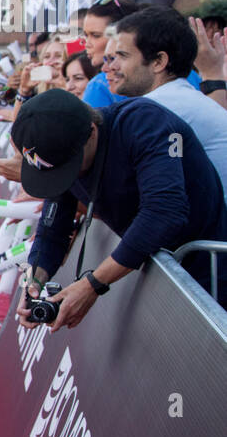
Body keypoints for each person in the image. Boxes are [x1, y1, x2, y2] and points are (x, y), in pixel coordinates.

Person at [14, 89, 227, 330]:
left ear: (91, 132)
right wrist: (33, 284)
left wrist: (92, 284)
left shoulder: (143, 122)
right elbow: (52, 231)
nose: (65, 179)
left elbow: (165, 211)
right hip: (159, 270)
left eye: (67, 170)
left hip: (210, 269)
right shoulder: (63, 152)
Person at [108, 6, 227, 196]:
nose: (112, 66)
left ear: (158, 62)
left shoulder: (159, 107)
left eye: (122, 55)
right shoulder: (176, 99)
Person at [80, 0, 140, 108]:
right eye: (85, 35)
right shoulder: (160, 75)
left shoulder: (100, 85)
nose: (87, 43)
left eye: (96, 35)